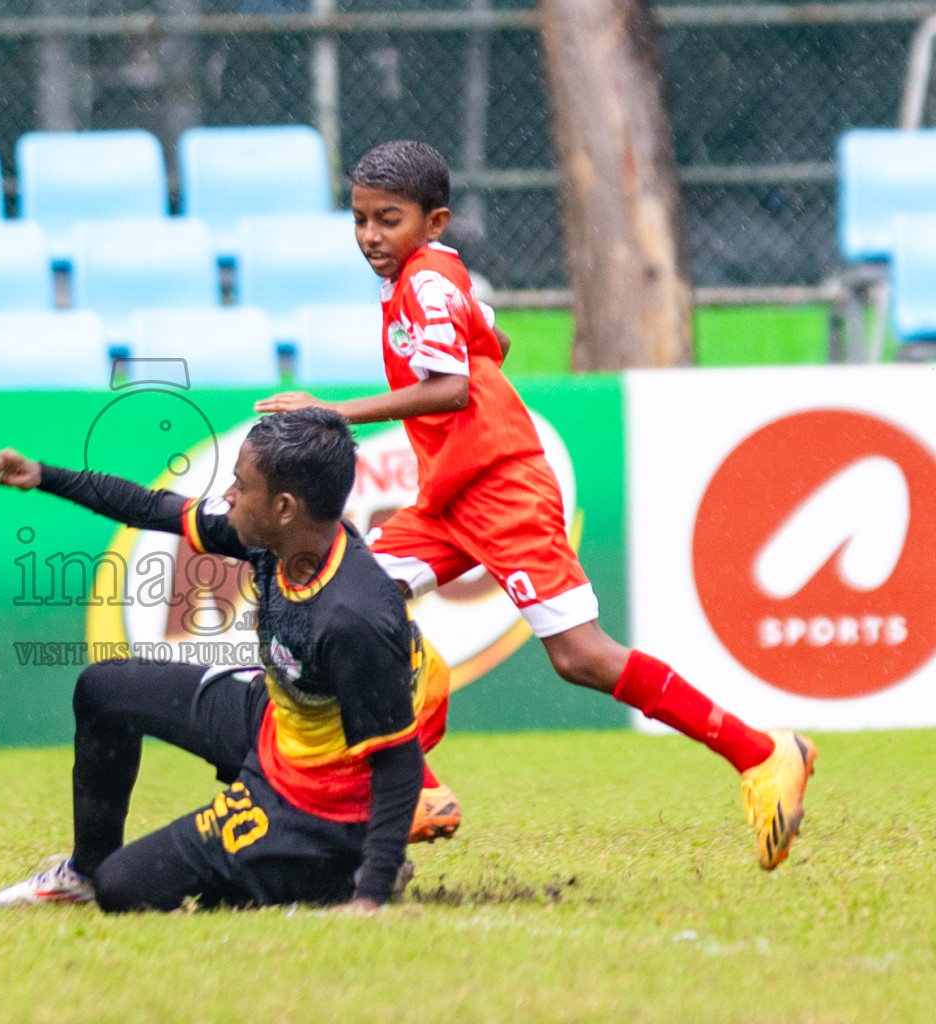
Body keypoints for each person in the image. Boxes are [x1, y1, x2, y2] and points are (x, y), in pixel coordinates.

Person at [256, 140, 816, 871]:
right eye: (359, 219)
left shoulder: (425, 283)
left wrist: (328, 412)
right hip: (449, 494)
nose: (368, 236)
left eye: (386, 220)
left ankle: (765, 753)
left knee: (580, 657)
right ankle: (417, 788)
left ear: (434, 221)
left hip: (500, 488)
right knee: (354, 603)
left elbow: (451, 387)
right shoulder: (435, 277)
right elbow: (496, 337)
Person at [0, 409, 451, 912]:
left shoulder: (351, 616)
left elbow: (398, 760)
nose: (228, 496)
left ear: (285, 506)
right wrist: (44, 476)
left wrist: (370, 897)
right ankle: (84, 872)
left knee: (126, 889)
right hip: (278, 726)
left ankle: (335, 872)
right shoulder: (282, 541)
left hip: (318, 802)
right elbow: (152, 507)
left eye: (240, 486)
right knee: (103, 689)